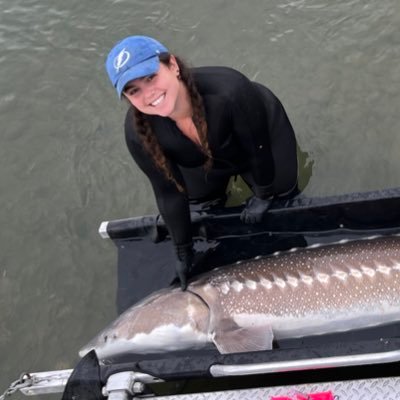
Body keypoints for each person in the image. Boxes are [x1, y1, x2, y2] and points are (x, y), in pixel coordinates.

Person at [105, 35, 298, 290]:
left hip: (261, 139)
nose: (148, 94)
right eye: (133, 90)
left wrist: (263, 194)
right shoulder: (138, 133)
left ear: (172, 65)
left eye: (150, 77)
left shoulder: (230, 90)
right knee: (200, 205)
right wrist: (182, 250)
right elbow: (169, 193)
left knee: (281, 196)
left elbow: (257, 148)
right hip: (198, 158)